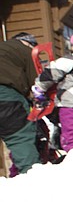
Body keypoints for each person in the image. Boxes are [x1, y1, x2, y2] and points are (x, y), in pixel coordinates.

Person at [0, 32, 41, 174]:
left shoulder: (6, 49)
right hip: (6, 95)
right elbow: (37, 84)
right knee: (19, 137)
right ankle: (32, 180)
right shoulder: (28, 51)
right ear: (30, 44)